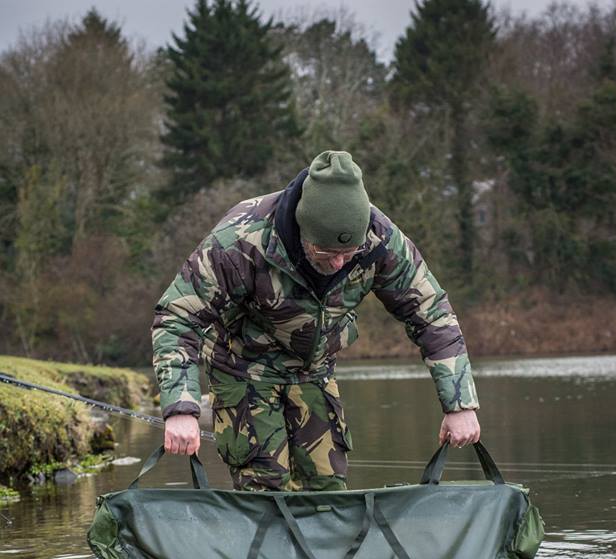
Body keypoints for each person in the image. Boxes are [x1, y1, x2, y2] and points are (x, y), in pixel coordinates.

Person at [152, 150, 480, 491]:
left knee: (326, 488)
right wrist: (181, 408)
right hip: (243, 367)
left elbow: (431, 312)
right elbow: (177, 317)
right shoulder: (240, 241)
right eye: (326, 252)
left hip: (314, 369)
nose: (338, 263)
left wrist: (459, 405)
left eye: (348, 254)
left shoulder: (379, 239)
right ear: (302, 230)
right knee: (267, 489)